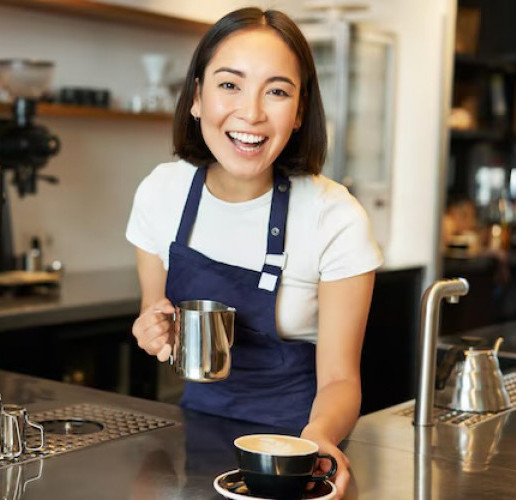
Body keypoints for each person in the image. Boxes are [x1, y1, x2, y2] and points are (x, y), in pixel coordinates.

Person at [126, 8, 383, 496]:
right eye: (229, 85)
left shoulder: (334, 216)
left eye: (278, 91)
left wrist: (320, 438)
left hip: (296, 450)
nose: (251, 113)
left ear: (300, 110)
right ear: (197, 96)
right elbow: (154, 317)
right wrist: (152, 330)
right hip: (193, 436)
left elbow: (340, 380)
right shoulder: (162, 192)